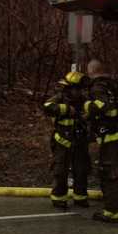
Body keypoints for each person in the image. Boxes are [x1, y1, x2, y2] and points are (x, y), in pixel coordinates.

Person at [83, 59, 118, 223]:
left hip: (110, 139)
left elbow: (103, 107)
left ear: (91, 71)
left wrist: (87, 106)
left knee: (110, 175)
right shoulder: (116, 84)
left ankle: (112, 212)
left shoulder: (98, 87)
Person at [43, 71, 91, 209]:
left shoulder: (84, 100)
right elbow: (47, 107)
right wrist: (65, 109)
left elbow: (91, 113)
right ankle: (59, 198)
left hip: (80, 141)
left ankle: (80, 197)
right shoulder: (60, 98)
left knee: (81, 170)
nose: (79, 92)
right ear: (71, 88)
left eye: (81, 89)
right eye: (78, 89)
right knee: (60, 170)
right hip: (62, 141)